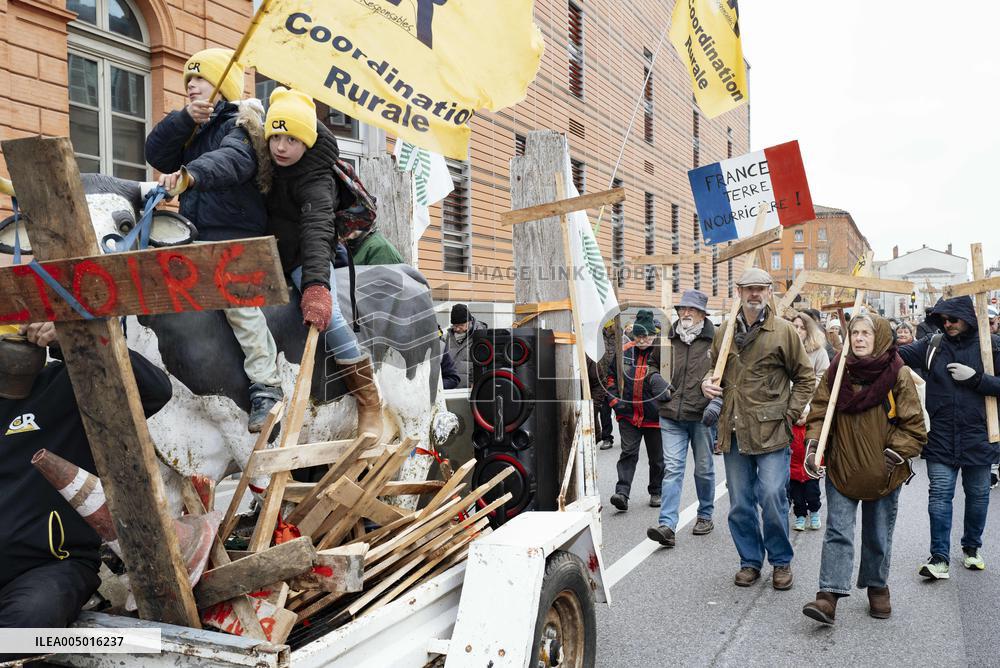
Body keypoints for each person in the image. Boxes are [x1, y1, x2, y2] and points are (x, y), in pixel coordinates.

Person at [144, 48, 282, 433]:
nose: (190, 85)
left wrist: (191, 174)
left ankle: (266, 386)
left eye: (200, 78)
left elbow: (232, 160)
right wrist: (181, 121)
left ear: (223, 85)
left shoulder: (243, 124)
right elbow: (155, 151)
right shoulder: (191, 127)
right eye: (188, 79)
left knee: (238, 303)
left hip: (234, 237)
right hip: (193, 233)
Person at [0, 323, 172, 630]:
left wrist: (73, 338)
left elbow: (155, 390)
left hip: (49, 568)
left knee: (25, 624)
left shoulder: (66, 387)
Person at [262, 87, 384, 440]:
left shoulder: (318, 177)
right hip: (265, 254)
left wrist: (316, 286)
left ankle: (369, 401)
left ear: (307, 141)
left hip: (305, 256)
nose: (281, 147)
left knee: (331, 321)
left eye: (292, 139)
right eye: (276, 137)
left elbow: (317, 231)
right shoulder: (264, 162)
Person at [800, 312, 927, 625]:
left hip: (884, 472)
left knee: (878, 535)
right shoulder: (836, 370)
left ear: (880, 337)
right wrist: (814, 447)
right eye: (854, 332)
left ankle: (877, 586)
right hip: (843, 467)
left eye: (865, 333)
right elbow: (819, 414)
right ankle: (828, 595)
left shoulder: (899, 373)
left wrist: (892, 457)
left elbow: (915, 426)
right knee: (837, 532)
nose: (858, 338)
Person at [701, 268, 814, 590]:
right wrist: (706, 383)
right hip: (735, 429)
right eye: (748, 289)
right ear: (738, 292)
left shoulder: (783, 331)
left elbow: (805, 377)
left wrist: (790, 414)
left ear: (769, 292)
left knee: (772, 496)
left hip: (772, 432)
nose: (754, 294)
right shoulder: (724, 332)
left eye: (760, 289)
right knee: (739, 504)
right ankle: (749, 561)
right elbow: (715, 370)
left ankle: (780, 562)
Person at [897, 296, 1000, 578]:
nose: (947, 323)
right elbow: (894, 356)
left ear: (968, 317)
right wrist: (862, 339)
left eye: (953, 319)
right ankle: (939, 557)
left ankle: (971, 548)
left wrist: (977, 379)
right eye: (943, 319)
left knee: (978, 496)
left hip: (980, 436)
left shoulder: (992, 346)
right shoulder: (933, 346)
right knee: (939, 495)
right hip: (940, 435)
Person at [647, 290, 717, 547]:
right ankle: (667, 525)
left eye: (692, 309)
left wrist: (715, 404)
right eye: (682, 309)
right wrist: (656, 383)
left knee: (704, 469)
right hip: (671, 412)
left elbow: (727, 372)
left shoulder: (715, 339)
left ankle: (705, 515)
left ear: (702, 314)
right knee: (673, 469)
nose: (686, 313)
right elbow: (652, 366)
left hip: (701, 415)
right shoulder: (666, 337)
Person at [607, 310, 670, 511]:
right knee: (628, 453)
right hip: (628, 415)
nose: (643, 340)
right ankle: (622, 493)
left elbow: (672, 382)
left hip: (655, 417)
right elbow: (611, 379)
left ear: (654, 333)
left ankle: (656, 491)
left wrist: (665, 405)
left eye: (647, 336)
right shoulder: (624, 351)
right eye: (639, 336)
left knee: (657, 459)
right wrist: (616, 404)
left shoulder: (663, 353)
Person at [788, 310, 830, 532]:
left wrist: (806, 406)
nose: (797, 330)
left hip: (811, 410)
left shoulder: (819, 352)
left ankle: (814, 508)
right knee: (792, 467)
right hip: (789, 411)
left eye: (801, 327)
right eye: (794, 326)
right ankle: (798, 511)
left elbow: (822, 379)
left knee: (811, 462)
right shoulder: (785, 349)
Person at [444, 304, 487, 389]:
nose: (457, 329)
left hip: (469, 390)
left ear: (469, 322)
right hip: (450, 389)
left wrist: (476, 383)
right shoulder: (447, 337)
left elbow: (483, 365)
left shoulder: (480, 336)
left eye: (460, 325)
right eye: (454, 325)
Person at [596, 320, 616, 450]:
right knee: (604, 411)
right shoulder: (597, 337)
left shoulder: (621, 337)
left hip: (617, 378)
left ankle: (628, 437)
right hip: (602, 379)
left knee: (622, 409)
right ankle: (607, 438)